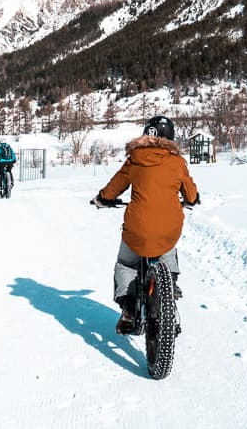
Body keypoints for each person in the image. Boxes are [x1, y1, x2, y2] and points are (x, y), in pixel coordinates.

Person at [92, 115, 200, 335]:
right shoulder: (177, 161)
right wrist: (191, 200)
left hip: (137, 229)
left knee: (126, 262)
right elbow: (190, 194)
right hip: (168, 228)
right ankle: (170, 283)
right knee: (167, 245)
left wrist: (102, 199)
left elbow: (115, 186)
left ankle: (129, 308)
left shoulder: (134, 158)